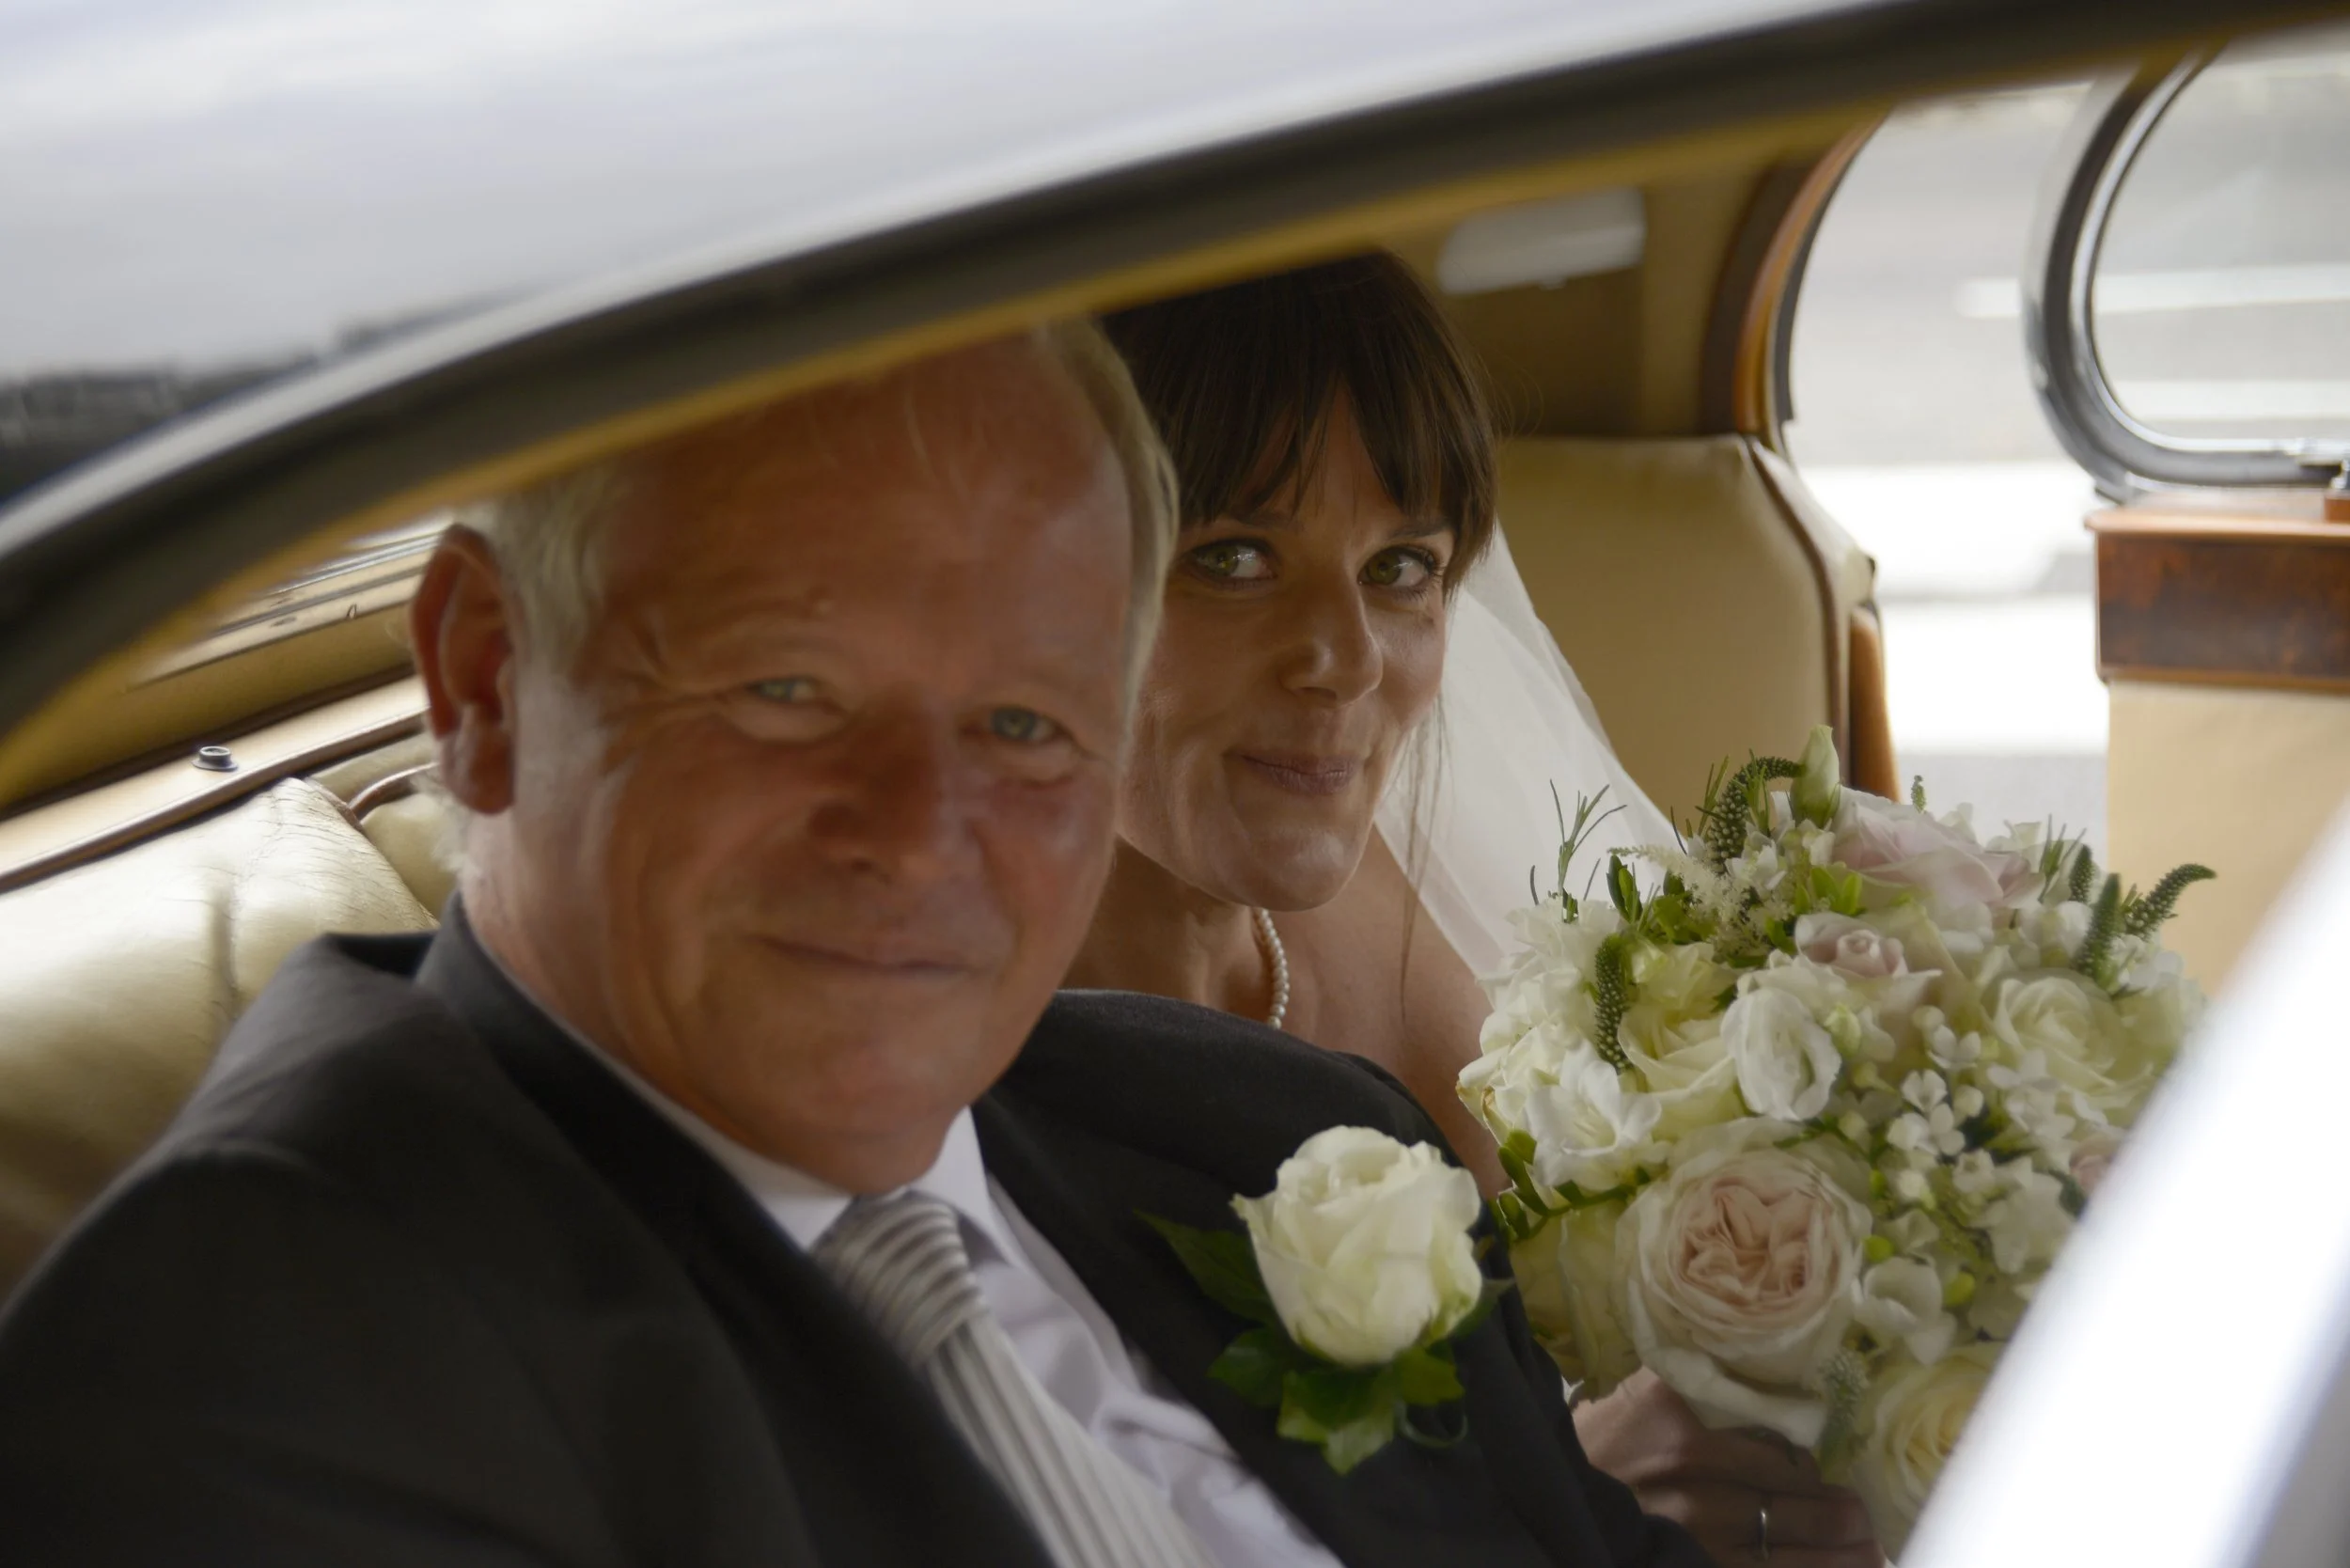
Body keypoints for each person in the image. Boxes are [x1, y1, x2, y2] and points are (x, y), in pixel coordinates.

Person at [0, 325, 1706, 1568]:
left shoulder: (1269, 1132)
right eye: (790, 691)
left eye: (1028, 722)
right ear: (485, 676)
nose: (919, 829)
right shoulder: (267, 1339)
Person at [1080, 257, 1885, 1568]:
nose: (1343, 659)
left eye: (1400, 568)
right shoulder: (953, 1078)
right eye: (1233, 559)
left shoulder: (1443, 934)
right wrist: (1560, 1499)